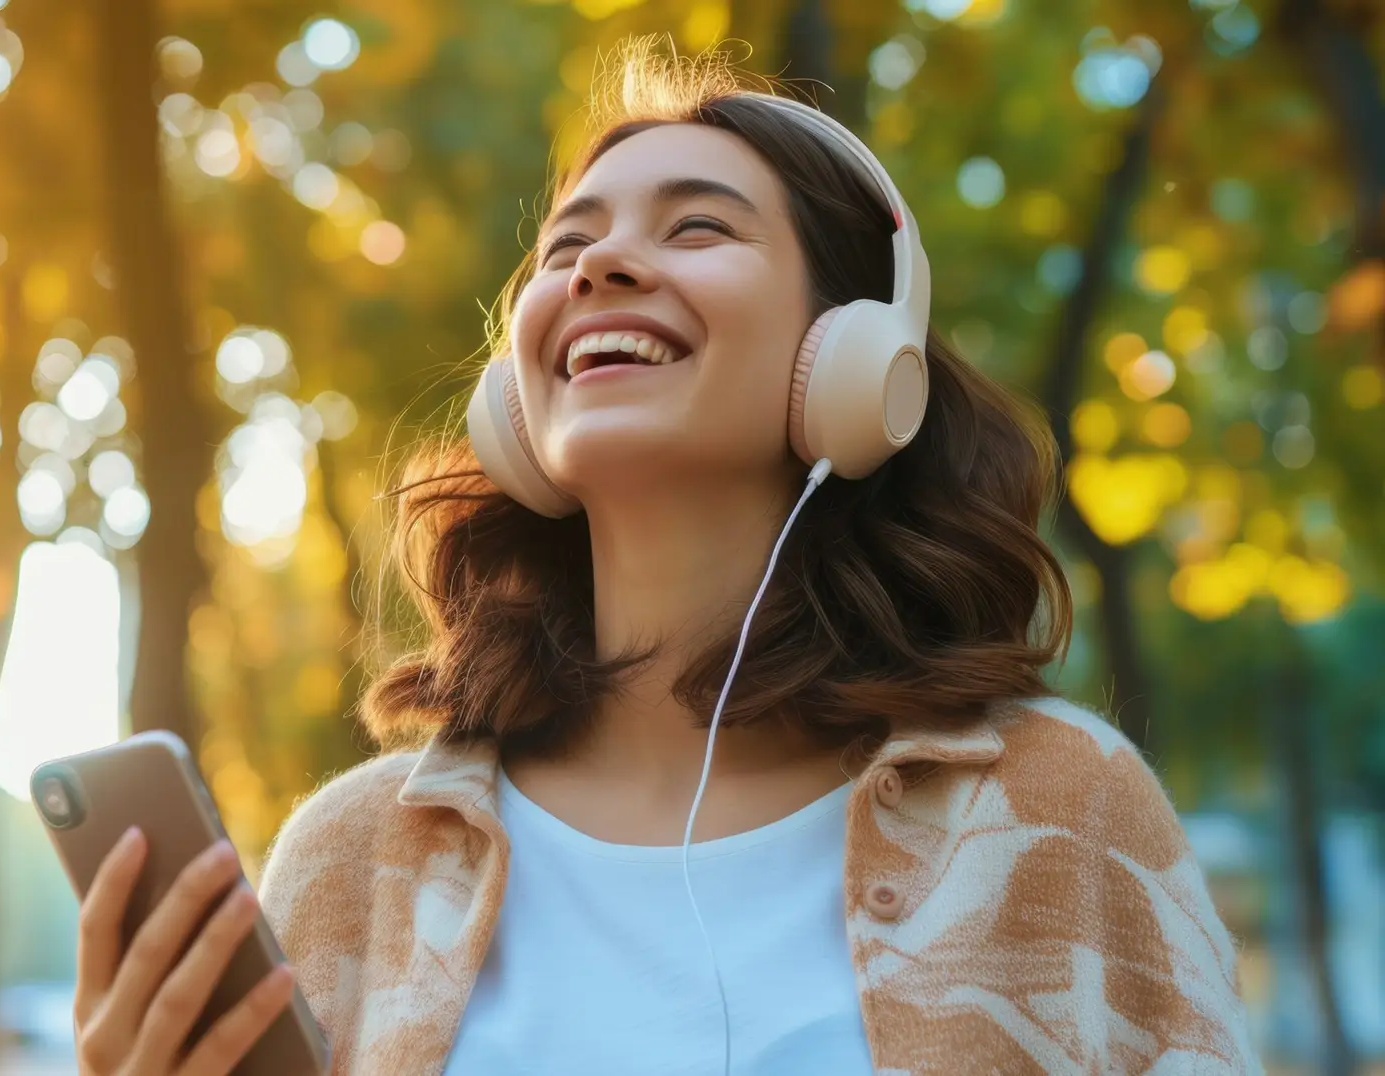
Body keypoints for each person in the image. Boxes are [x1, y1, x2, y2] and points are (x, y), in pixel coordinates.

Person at [71, 39, 1258, 1076]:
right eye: (564, 248)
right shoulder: (357, 856)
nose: (598, 266)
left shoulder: (1059, 810)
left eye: (696, 227)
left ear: (848, 356)